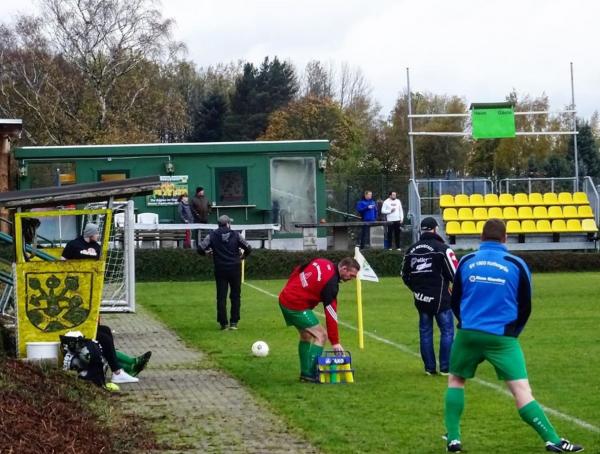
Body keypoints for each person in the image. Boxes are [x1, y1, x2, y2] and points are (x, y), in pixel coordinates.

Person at [443, 219, 583, 453]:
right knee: (521, 390)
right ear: (505, 237)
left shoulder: (466, 261)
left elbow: (455, 298)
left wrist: (465, 322)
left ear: (481, 237)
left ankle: (453, 439)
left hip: (468, 334)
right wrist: (512, 332)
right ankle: (553, 440)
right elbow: (526, 305)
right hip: (502, 338)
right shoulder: (516, 264)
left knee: (456, 380)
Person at [61, 223, 151, 385]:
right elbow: (61, 264)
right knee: (103, 337)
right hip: (77, 295)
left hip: (89, 293)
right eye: (96, 233)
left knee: (106, 331)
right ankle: (119, 370)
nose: (98, 236)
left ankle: (123, 366)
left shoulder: (97, 247)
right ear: (90, 233)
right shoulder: (73, 245)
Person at [278, 257, 360, 382]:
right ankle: (310, 374)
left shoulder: (322, 261)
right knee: (321, 335)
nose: (352, 279)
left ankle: (305, 374)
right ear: (343, 269)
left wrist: (290, 286)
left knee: (306, 335)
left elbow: (299, 269)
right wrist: (335, 342)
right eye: (351, 275)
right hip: (295, 305)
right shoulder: (331, 285)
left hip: (286, 297)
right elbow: (331, 314)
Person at [402, 217, 458, 376]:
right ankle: (445, 368)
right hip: (441, 298)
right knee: (447, 331)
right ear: (435, 229)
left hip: (421, 298)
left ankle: (429, 368)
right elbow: (456, 274)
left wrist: (416, 289)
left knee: (425, 331)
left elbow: (404, 275)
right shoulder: (442, 248)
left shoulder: (411, 250)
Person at [198, 215, 251, 330]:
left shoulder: (212, 235)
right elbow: (248, 247)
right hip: (235, 268)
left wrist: (207, 253)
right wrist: (242, 257)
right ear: (228, 224)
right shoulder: (236, 235)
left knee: (221, 296)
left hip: (220, 268)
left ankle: (223, 323)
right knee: (235, 296)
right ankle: (234, 322)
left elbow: (200, 248)